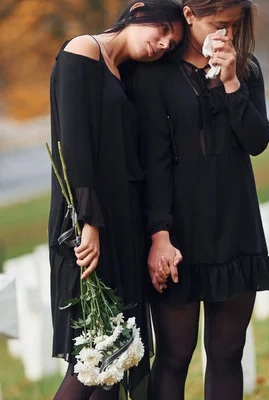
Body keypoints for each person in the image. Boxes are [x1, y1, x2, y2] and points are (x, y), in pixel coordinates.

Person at [133, 1, 269, 399]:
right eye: (219, 23)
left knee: (228, 353)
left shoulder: (246, 69)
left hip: (236, 224)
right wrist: (159, 233)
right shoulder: (155, 74)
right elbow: (154, 160)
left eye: (234, 25)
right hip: (180, 231)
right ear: (189, 14)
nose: (226, 33)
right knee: (176, 355)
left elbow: (257, 141)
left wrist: (231, 82)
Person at [48, 2, 185, 399]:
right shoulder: (82, 51)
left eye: (172, 42)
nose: (162, 43)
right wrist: (89, 221)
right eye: (161, 29)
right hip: (89, 223)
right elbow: (72, 146)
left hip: (126, 224)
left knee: (118, 361)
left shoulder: (127, 73)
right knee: (93, 357)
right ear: (137, 10)